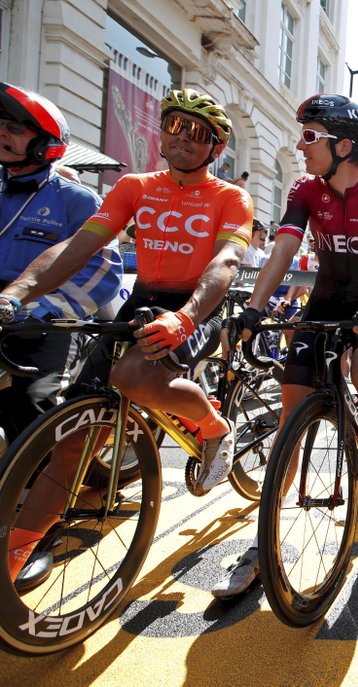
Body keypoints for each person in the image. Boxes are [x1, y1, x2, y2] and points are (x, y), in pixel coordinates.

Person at [0, 87, 251, 585]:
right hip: (143, 300)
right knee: (74, 439)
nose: (182, 140)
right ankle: (13, 558)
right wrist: (18, 293)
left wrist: (188, 317)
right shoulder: (135, 186)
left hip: (196, 304)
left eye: (197, 134)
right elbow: (81, 244)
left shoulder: (230, 197)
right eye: (174, 127)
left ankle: (212, 423)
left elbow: (226, 262)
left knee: (131, 374)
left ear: (216, 148)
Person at [212, 94, 358, 599]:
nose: (301, 146)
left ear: (344, 145)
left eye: (310, 137)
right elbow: (283, 250)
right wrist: (255, 310)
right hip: (321, 302)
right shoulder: (304, 189)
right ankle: (260, 546)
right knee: (289, 420)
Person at [0, 84, 122, 458]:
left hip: (45, 319)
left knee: (32, 404)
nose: (2, 133)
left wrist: (40, 310)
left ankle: (36, 500)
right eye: (0, 125)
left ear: (45, 144)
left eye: (15, 129)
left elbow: (103, 271)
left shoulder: (78, 199)